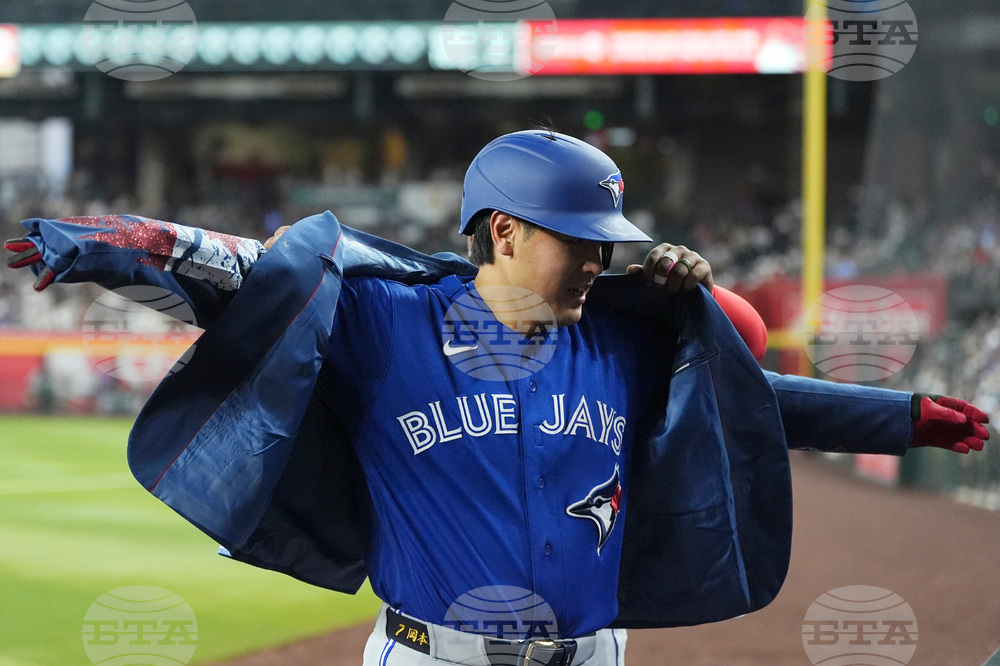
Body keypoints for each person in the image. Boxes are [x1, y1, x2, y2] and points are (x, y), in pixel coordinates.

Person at [5, 130, 988, 666]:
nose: (597, 261)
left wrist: (909, 419)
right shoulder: (381, 320)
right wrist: (101, 246)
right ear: (505, 232)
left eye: (607, 241)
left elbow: (756, 401)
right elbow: (236, 281)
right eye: (578, 238)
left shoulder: (619, 337)